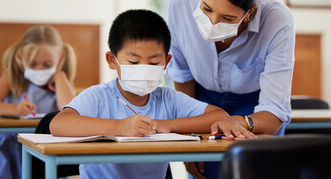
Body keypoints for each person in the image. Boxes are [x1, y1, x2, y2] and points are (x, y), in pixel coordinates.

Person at [50, 9, 247, 179]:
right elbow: (58, 124)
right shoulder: (99, 96)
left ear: (166, 62)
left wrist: (168, 125)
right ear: (112, 60)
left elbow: (219, 116)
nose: (143, 69)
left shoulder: (168, 99)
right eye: (134, 62)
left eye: (153, 63)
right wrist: (119, 127)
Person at [166, 0, 295, 178]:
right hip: (201, 100)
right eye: (206, 9)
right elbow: (182, 73)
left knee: (250, 169)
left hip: (254, 105)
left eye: (227, 18)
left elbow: (273, 113)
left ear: (250, 13)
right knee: (205, 171)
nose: (213, 23)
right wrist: (190, 136)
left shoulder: (278, 20)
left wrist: (241, 121)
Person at [0, 25, 77, 179]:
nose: (39, 69)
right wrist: (15, 110)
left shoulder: (60, 81)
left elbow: (72, 112)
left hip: (44, 151)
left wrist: (60, 77)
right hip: (9, 150)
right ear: (20, 57)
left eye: (46, 65)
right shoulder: (12, 76)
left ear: (59, 59)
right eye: (32, 64)